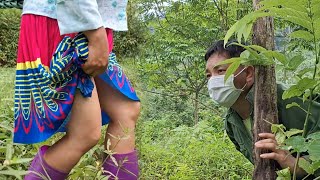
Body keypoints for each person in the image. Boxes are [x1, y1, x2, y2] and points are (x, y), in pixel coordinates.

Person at [11, 0, 140, 179]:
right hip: (67, 19)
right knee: (85, 133)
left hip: (92, 22)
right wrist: (94, 32)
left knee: (125, 111)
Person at [205, 40, 320, 179]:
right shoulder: (231, 124)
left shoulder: (288, 99)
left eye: (221, 71)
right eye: (209, 75)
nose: (213, 81)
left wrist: (292, 162)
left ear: (248, 73)